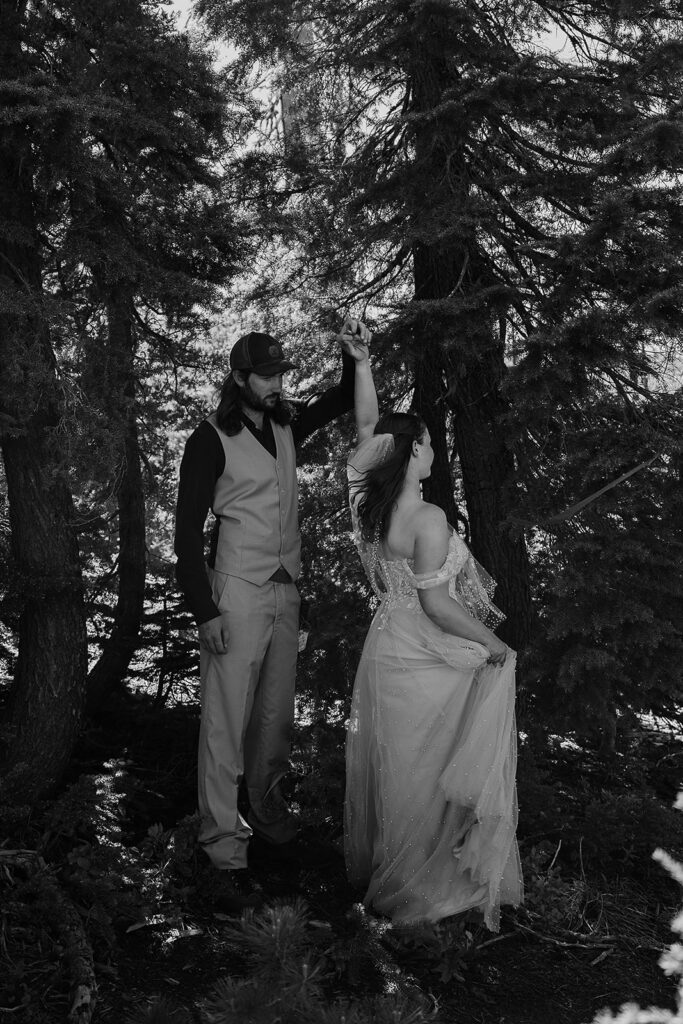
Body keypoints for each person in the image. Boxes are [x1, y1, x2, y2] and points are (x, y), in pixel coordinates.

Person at [175, 319, 374, 911]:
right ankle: (220, 846)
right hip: (233, 594)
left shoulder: (286, 423)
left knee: (272, 717)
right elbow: (187, 537)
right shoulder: (208, 439)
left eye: (280, 374)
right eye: (265, 376)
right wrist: (204, 610)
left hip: (286, 592)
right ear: (238, 378)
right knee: (224, 722)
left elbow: (341, 401)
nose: (275, 384)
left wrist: (352, 356)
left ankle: (266, 815)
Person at [344, 393, 523, 929]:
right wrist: (493, 642)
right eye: (424, 442)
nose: (433, 451)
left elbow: (368, 430)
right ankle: (416, 887)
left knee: (399, 764)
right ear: (411, 450)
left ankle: (394, 875)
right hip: (424, 650)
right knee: (424, 767)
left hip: (387, 643)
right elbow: (437, 603)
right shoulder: (427, 516)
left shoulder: (366, 502)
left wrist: (362, 359)